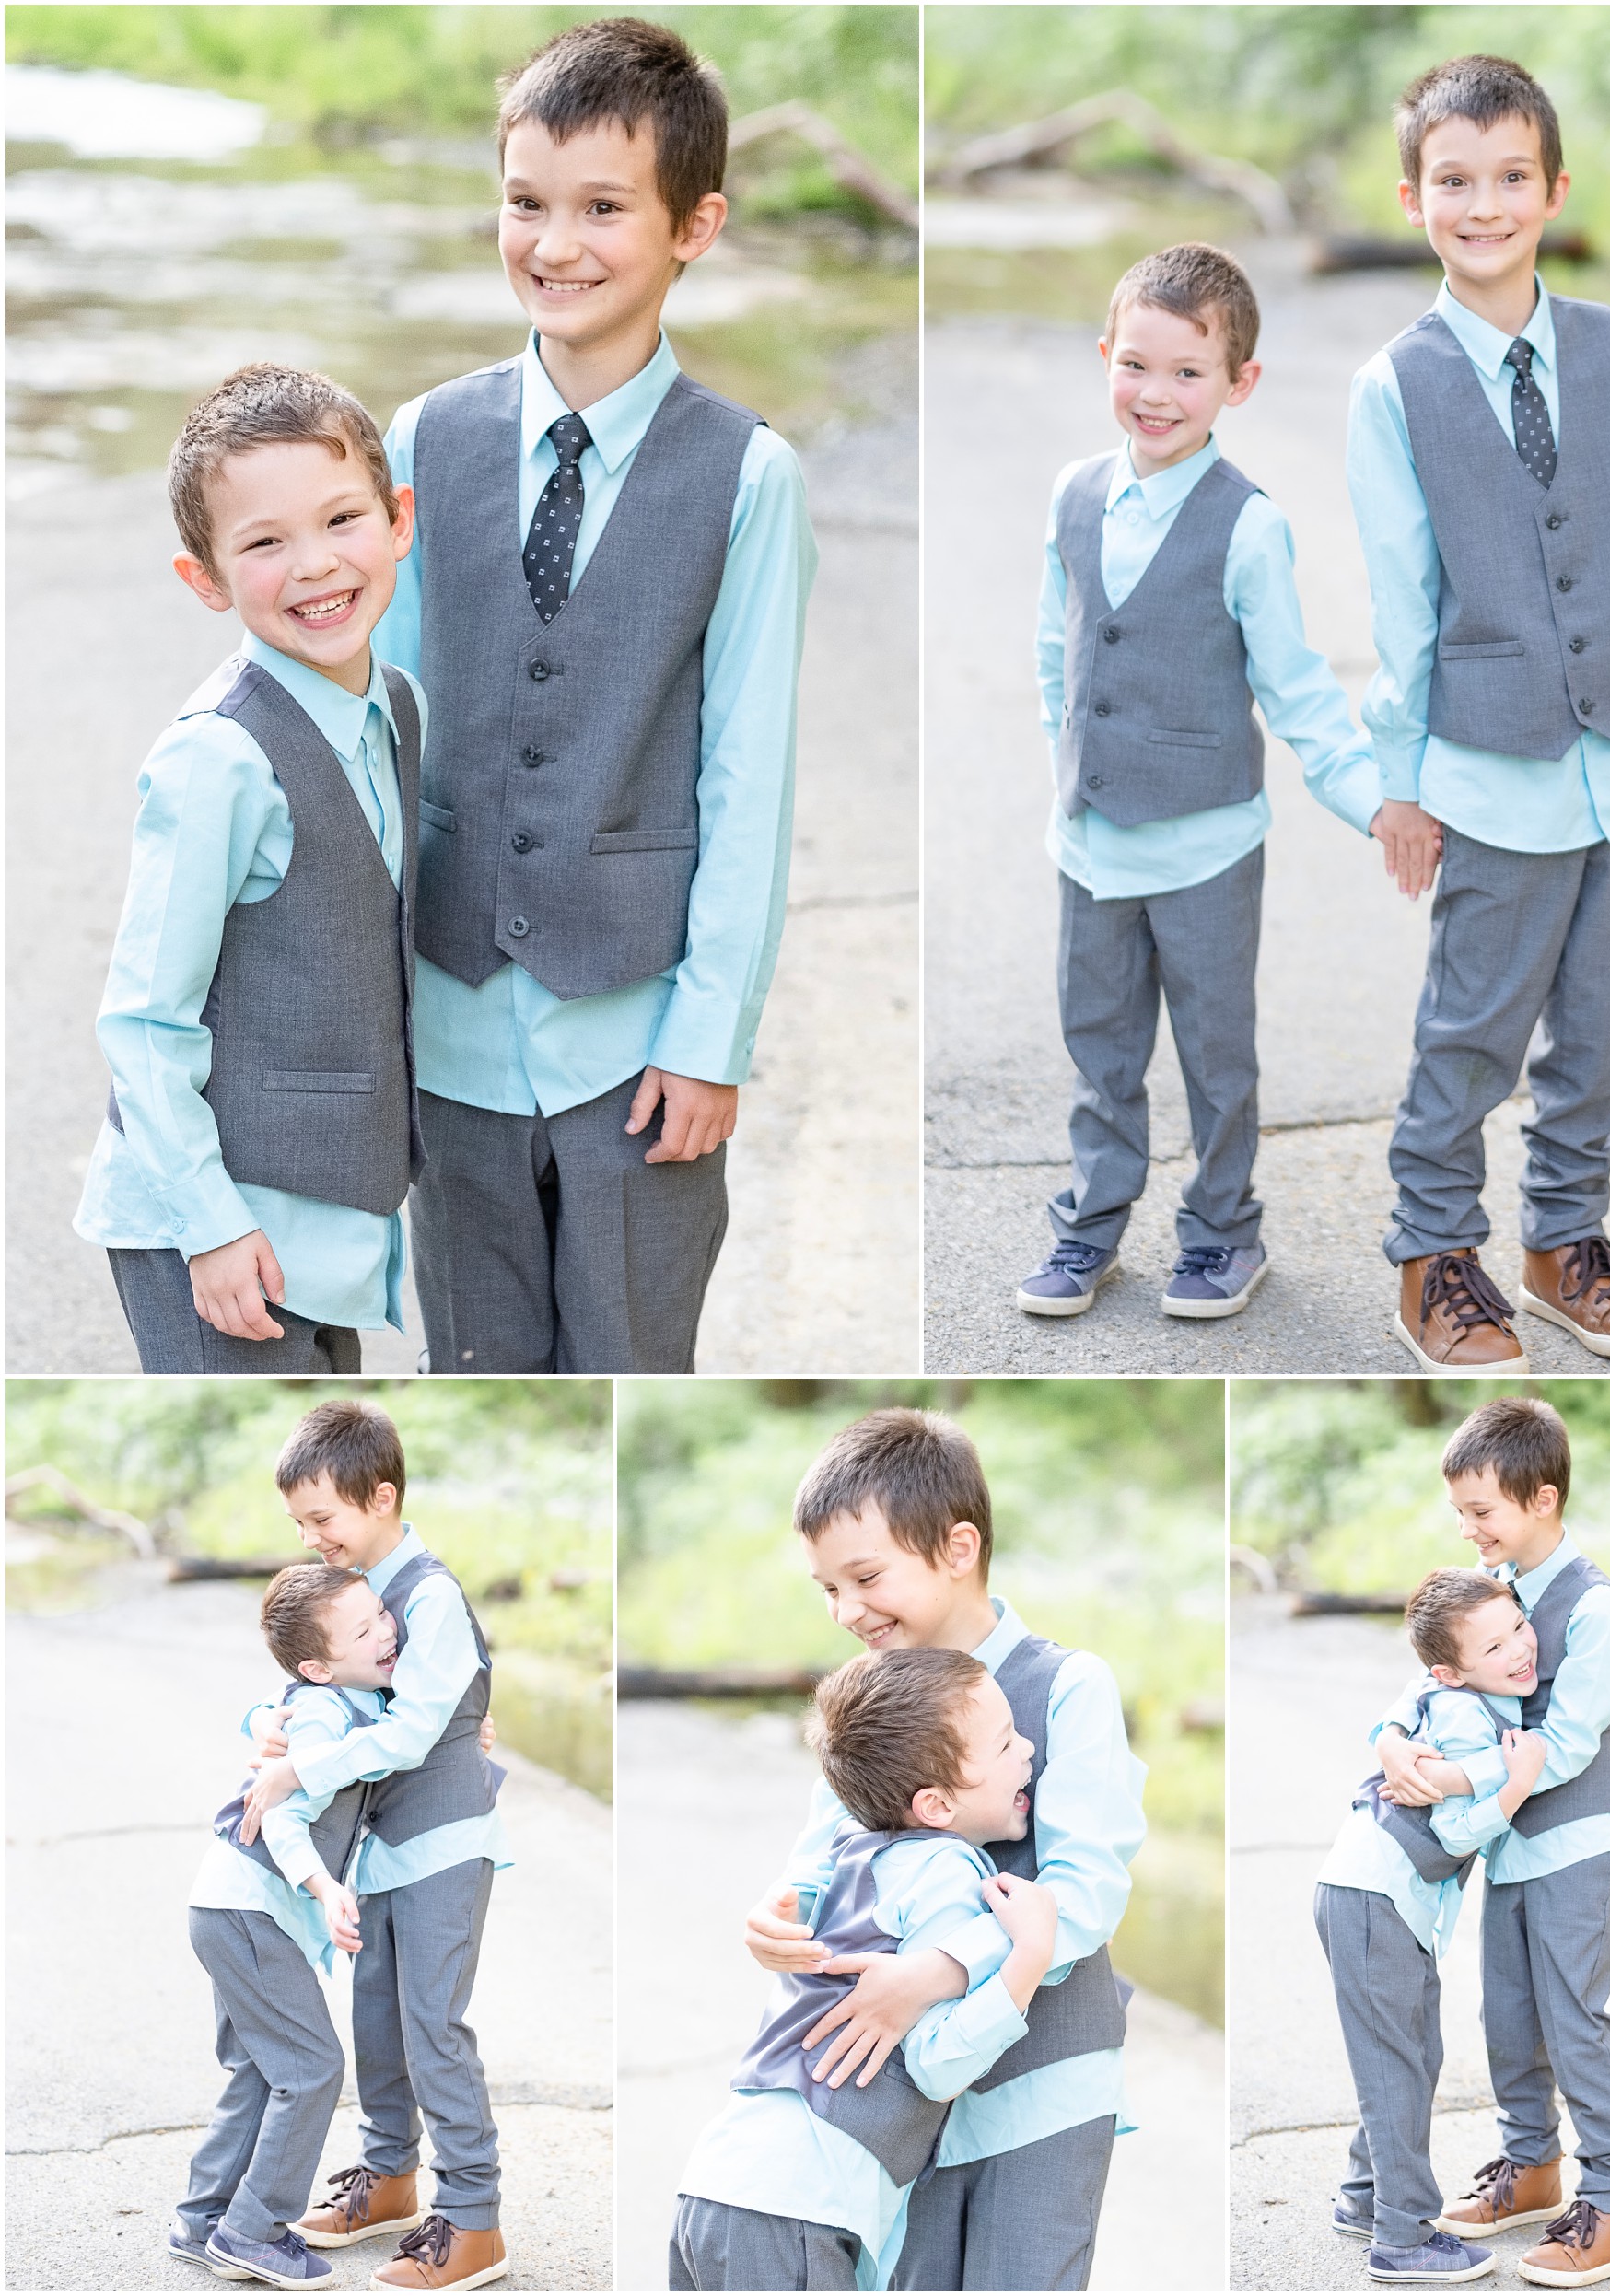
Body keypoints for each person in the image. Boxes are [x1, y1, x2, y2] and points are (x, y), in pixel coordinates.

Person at [370, 14, 817, 1374]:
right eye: (524, 203)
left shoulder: (748, 474)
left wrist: (711, 1037)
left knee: (630, 1371)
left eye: (601, 208)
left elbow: (751, 771)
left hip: (637, 1048)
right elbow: (376, 733)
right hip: (446, 1028)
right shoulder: (420, 439)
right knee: (479, 1372)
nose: (552, 245)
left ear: (696, 225)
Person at [1348, 53, 1610, 1370]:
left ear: (1556, 190)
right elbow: (1403, 609)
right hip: (1487, 767)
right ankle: (1434, 1253)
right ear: (1412, 198)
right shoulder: (1394, 386)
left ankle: (1566, 1244)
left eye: (1511, 177)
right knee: (1472, 1030)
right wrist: (1402, 780)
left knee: (1600, 1028)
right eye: (1456, 180)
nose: (1484, 204)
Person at [1016, 239, 1419, 1324]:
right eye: (1136, 365)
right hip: (1089, 845)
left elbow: (1295, 690)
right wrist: (1067, 763)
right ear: (1105, 354)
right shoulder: (1073, 496)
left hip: (1204, 848)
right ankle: (1089, 1227)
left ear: (1237, 386)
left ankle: (1222, 1234)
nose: (1156, 394)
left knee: (1213, 1056)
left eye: (1187, 373)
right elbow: (1056, 648)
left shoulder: (1246, 524)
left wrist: (1370, 800)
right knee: (1098, 1050)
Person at [741, 1408, 1145, 2291]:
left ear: (958, 1547)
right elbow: (824, 1856)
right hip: (904, 2099)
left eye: (865, 1576)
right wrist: (781, 1912)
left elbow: (1084, 1889)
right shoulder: (871, 1698)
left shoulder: (1067, 1685)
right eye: (827, 1589)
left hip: (1042, 2080)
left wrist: (942, 1968)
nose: (847, 1609)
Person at [75, 365, 424, 1373]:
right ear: (208, 580)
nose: (313, 565)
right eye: (265, 542)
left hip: (325, 1214)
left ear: (398, 519)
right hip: (214, 1225)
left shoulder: (395, 708)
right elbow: (144, 1021)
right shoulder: (217, 758)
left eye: (340, 519)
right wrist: (210, 1225)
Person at [671, 1646, 1063, 2290]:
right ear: (935, 1805)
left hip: (719, 2186)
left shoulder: (850, 1855)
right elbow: (938, 2063)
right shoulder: (948, 1868)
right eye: (1005, 1744)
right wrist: (1027, 1958)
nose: (1028, 1751)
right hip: (796, 2204)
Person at [1371, 1398, 1610, 2289]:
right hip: (1514, 1847)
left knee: (1576, 2019)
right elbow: (1430, 1684)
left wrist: (1442, 1778)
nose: (1467, 1527)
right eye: (1460, 1512)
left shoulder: (1595, 1607)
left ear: (1542, 1498)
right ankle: (1531, 2167)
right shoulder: (1491, 1594)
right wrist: (1392, 1745)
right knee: (1511, 2015)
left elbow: (1563, 1744)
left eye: (1481, 1511)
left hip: (1577, 1842)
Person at [237, 1400, 514, 2293]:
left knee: (434, 2027)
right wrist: (277, 1738)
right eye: (300, 1524)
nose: (313, 1537)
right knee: (379, 2024)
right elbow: (313, 1691)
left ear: (380, 1498)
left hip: (445, 1840)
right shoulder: (351, 1594)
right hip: (383, 1852)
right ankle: (390, 2176)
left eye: (322, 1519)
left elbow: (407, 1735)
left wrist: (299, 1777)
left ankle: (473, 2219)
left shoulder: (426, 1596)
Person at [1316, 1567, 1551, 2284]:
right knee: (1398, 2064)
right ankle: (1403, 2237)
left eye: (1517, 1625)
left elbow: (1410, 1702)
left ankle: (1364, 2197)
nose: (1520, 1648)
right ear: (1452, 1671)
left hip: (1385, 1901)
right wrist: (1512, 1787)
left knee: (1413, 2058)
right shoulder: (1457, 1711)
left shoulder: (1468, 1693)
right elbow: (1452, 1832)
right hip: (1373, 1898)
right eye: (1496, 1647)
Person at [170, 1563, 395, 2287]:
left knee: (263, 2068)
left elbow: (270, 1706)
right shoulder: (330, 1714)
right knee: (311, 2067)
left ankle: (204, 2216)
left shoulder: (332, 1694)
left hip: (225, 1904)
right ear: (318, 1665)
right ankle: (253, 2230)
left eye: (382, 1613)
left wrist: (261, 1718)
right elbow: (285, 1816)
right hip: (250, 1908)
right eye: (364, 1629)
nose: (387, 1629)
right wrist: (324, 1886)